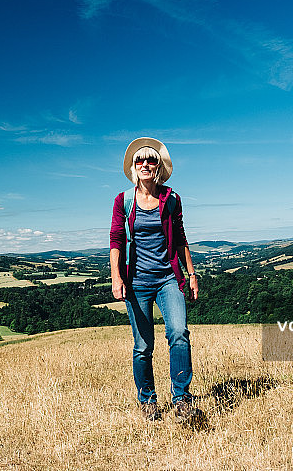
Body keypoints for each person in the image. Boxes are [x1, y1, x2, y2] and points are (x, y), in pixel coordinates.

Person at [109, 137, 202, 423]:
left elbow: (181, 238)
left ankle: (182, 400)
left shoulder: (171, 199)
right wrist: (116, 277)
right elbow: (116, 240)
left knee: (179, 333)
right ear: (134, 167)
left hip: (167, 279)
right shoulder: (123, 201)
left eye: (151, 160)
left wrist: (191, 274)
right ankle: (148, 401)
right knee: (143, 346)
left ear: (159, 166)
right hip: (136, 282)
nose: (145, 164)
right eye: (140, 160)